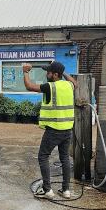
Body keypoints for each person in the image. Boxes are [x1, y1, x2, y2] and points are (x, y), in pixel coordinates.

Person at [22, 61, 77, 199]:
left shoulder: (50, 87)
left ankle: (47, 190)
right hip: (67, 129)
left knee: (43, 156)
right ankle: (66, 191)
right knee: (64, 158)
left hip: (54, 130)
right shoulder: (68, 85)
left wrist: (25, 72)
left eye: (49, 72)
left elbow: (29, 86)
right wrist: (63, 70)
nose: (47, 74)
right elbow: (74, 82)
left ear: (55, 75)